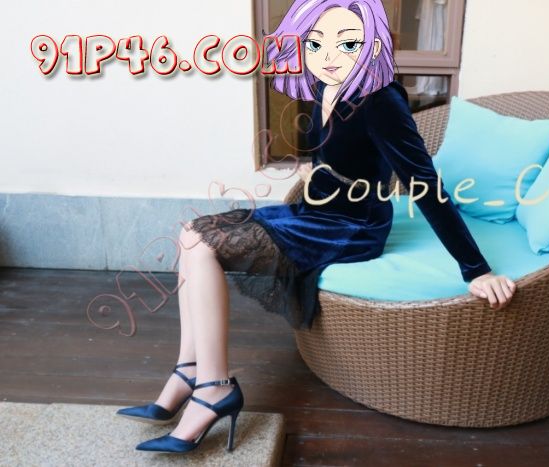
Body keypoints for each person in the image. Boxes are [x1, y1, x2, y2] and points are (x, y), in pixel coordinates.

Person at [116, 0, 516, 454]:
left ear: (372, 45)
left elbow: (424, 183)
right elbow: (324, 156)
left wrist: (476, 269)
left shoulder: (381, 100)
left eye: (347, 44)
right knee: (192, 233)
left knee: (203, 244)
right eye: (317, 42)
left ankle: (213, 388)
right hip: (314, 212)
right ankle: (189, 370)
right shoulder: (321, 83)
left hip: (353, 225)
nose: (329, 55)